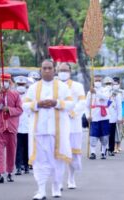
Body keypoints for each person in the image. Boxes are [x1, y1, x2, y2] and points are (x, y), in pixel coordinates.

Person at [23, 60, 73, 199]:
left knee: (57, 160)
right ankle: (41, 190)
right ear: (40, 70)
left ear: (54, 70)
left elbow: (70, 104)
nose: (47, 71)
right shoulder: (33, 87)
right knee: (40, 162)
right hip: (39, 132)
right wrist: (38, 104)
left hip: (57, 132)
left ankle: (56, 187)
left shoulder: (62, 87)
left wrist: (56, 103)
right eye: (44, 68)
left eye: (49, 68)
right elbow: (25, 105)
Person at [0, 73, 23, 183]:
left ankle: (9, 172)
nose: (4, 84)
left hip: (11, 127)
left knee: (11, 151)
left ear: (10, 83)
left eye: (7, 82)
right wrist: (0, 95)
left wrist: (9, 109)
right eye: (2, 81)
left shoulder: (15, 94)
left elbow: (20, 110)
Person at [57, 62, 86, 189]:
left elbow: (82, 102)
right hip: (59, 124)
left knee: (73, 153)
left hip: (74, 124)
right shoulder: (53, 86)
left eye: (65, 70)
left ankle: (71, 178)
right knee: (59, 153)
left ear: (70, 72)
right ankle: (59, 180)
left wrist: (73, 112)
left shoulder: (77, 86)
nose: (63, 72)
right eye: (61, 70)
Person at [86, 75, 111, 160]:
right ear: (93, 82)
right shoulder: (90, 92)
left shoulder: (106, 90)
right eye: (96, 80)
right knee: (93, 135)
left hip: (104, 117)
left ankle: (103, 152)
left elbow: (106, 98)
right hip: (94, 116)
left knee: (104, 136)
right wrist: (87, 115)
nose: (98, 82)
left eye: (99, 80)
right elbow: (86, 106)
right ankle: (93, 153)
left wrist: (96, 91)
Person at [13, 76, 30, 176]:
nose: (20, 86)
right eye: (19, 85)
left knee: (27, 147)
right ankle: (18, 167)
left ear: (26, 85)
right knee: (18, 148)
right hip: (16, 125)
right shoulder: (13, 95)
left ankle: (27, 166)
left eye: (22, 85)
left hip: (28, 125)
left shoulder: (29, 96)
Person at [103, 76, 122, 157]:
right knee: (103, 135)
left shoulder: (116, 93)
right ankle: (103, 150)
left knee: (112, 135)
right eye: (107, 83)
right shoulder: (102, 92)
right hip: (103, 116)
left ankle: (111, 149)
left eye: (110, 83)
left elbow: (119, 106)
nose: (108, 85)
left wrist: (119, 117)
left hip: (113, 116)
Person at [112, 77, 124, 153]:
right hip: (112, 113)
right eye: (113, 84)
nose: (115, 85)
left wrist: (123, 115)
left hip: (121, 113)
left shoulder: (122, 92)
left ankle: (118, 145)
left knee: (120, 130)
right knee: (114, 130)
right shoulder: (109, 91)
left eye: (116, 84)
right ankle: (114, 146)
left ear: (119, 84)